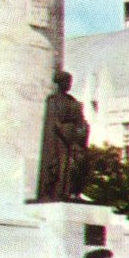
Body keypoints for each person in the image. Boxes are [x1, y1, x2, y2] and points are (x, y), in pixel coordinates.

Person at [36, 71, 90, 202]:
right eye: (67, 82)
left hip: (74, 139)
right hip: (60, 141)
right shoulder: (53, 100)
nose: (69, 85)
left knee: (79, 163)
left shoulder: (73, 101)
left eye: (70, 82)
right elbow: (55, 122)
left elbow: (81, 121)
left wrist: (80, 135)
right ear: (60, 83)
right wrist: (69, 138)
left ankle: (72, 192)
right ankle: (58, 192)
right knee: (61, 165)